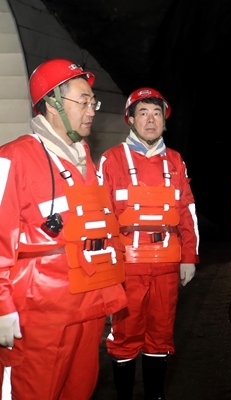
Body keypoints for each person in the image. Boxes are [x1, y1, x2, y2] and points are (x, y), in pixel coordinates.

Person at [0, 58, 128, 399]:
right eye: (83, 101)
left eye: (93, 102)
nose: (91, 110)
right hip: (38, 317)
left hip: (88, 309)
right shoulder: (14, 158)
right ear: (52, 103)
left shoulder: (87, 162)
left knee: (80, 390)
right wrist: (1, 308)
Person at [99, 88, 199, 400]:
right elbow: (101, 215)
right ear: (130, 119)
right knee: (124, 338)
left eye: (157, 113)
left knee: (161, 336)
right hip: (127, 268)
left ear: (164, 121)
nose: (151, 119)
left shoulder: (175, 160)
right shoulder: (111, 160)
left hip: (167, 266)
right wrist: (105, 267)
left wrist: (189, 257)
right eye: (143, 113)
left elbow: (187, 211)